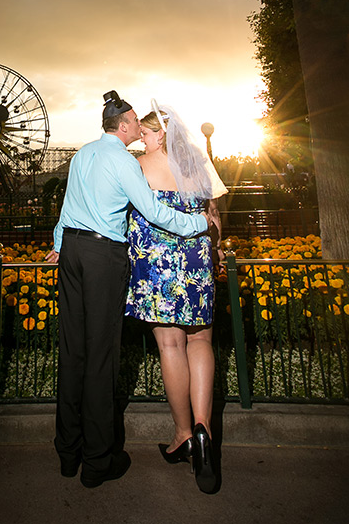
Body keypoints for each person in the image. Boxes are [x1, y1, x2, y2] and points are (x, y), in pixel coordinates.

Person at [45, 91, 219, 489]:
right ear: (122, 126)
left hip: (81, 251)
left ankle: (69, 452)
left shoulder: (87, 156)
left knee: (75, 352)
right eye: (135, 123)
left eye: (145, 125)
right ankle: (102, 459)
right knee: (109, 355)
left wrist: (58, 243)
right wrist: (202, 230)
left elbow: (70, 208)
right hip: (127, 256)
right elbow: (179, 212)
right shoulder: (153, 163)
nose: (139, 130)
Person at [125, 101, 227, 493]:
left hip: (156, 266)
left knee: (170, 344)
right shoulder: (199, 166)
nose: (142, 140)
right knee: (201, 339)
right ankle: (205, 432)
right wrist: (213, 249)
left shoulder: (139, 168)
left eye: (147, 134)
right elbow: (214, 216)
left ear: (161, 133)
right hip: (196, 257)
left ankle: (183, 432)